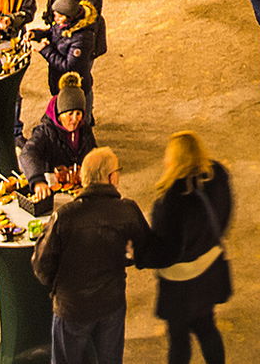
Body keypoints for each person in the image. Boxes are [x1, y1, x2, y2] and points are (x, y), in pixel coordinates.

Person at [30, 147, 150, 364]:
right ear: (112, 177)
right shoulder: (127, 210)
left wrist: (58, 288)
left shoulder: (64, 216)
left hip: (72, 307)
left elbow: (41, 265)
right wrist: (128, 258)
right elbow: (147, 252)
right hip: (111, 303)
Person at [146, 132, 233, 364]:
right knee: (207, 328)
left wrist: (141, 255)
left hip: (180, 285)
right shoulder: (217, 177)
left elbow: (166, 251)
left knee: (179, 339)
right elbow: (224, 217)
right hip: (211, 272)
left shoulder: (170, 200)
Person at [21, 72, 98, 189]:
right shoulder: (46, 131)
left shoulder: (84, 129)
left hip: (77, 185)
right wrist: (37, 180)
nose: (75, 119)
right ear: (59, 115)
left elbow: (94, 153)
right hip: (54, 186)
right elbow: (28, 153)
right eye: (70, 114)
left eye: (78, 113)